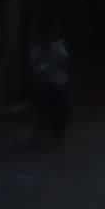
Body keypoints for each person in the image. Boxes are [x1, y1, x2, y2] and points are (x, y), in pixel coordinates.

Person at [29, 17, 70, 147]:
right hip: (43, 84)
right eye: (44, 34)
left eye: (48, 34)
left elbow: (65, 62)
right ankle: (39, 133)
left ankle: (59, 133)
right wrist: (41, 70)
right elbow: (35, 66)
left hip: (57, 83)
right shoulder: (36, 49)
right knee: (39, 104)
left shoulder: (57, 47)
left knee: (61, 105)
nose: (46, 37)